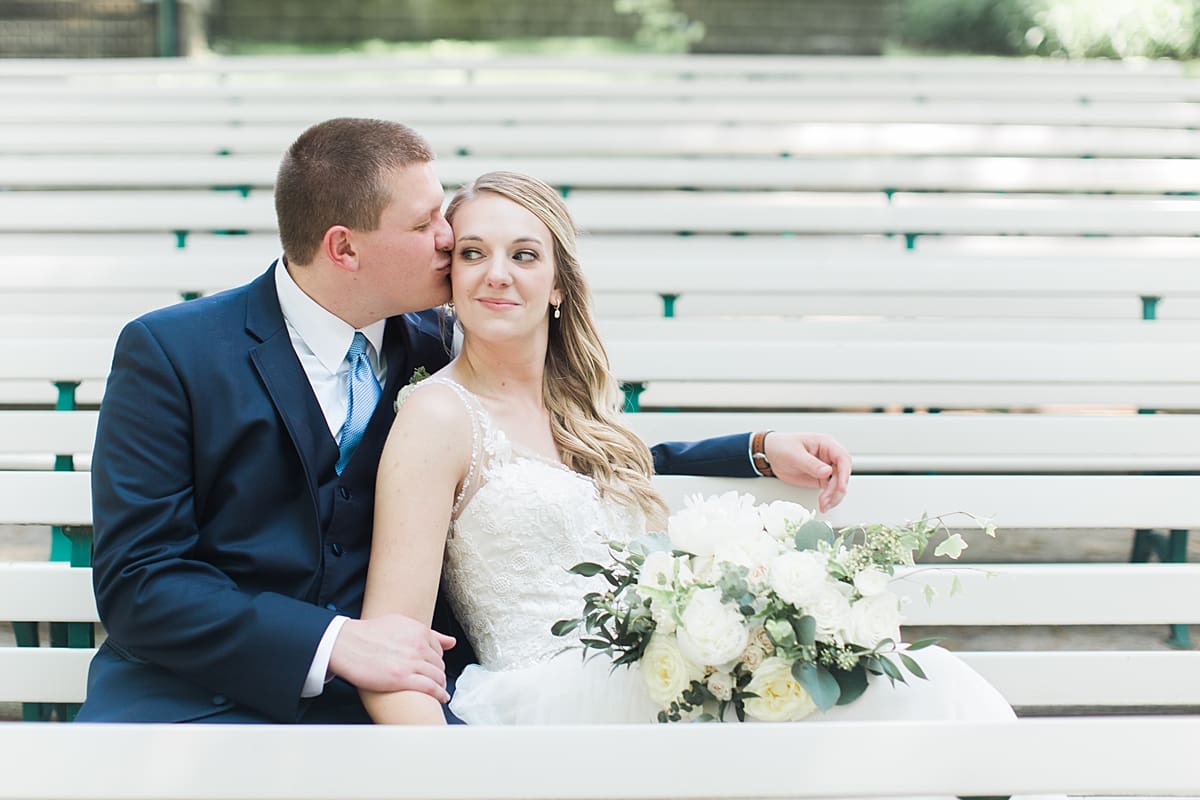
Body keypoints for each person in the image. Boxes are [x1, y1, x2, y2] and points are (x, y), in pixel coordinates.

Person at [78, 118, 851, 724]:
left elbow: (549, 454)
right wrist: (338, 643)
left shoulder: (435, 338)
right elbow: (140, 581)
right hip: (199, 697)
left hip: (379, 705)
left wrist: (750, 450)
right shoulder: (173, 353)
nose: (449, 242)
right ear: (344, 247)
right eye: (427, 226)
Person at [359, 171, 1021, 735]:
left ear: (559, 285)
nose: (496, 275)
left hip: (660, 683)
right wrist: (452, 779)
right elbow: (390, 649)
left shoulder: (587, 416)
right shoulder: (438, 416)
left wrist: (759, 453)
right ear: (451, 277)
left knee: (928, 680)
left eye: (525, 255)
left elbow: (646, 484)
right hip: (555, 707)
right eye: (473, 253)